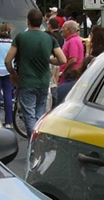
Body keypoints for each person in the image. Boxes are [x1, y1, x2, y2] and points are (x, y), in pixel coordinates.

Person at [4, 8, 67, 138]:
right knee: (40, 115)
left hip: (26, 82)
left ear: (28, 22)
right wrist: (49, 59)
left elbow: (7, 60)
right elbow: (62, 59)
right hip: (43, 82)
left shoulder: (20, 37)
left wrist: (13, 73)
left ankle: (33, 144)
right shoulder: (49, 38)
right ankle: (38, 143)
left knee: (29, 116)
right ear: (41, 22)